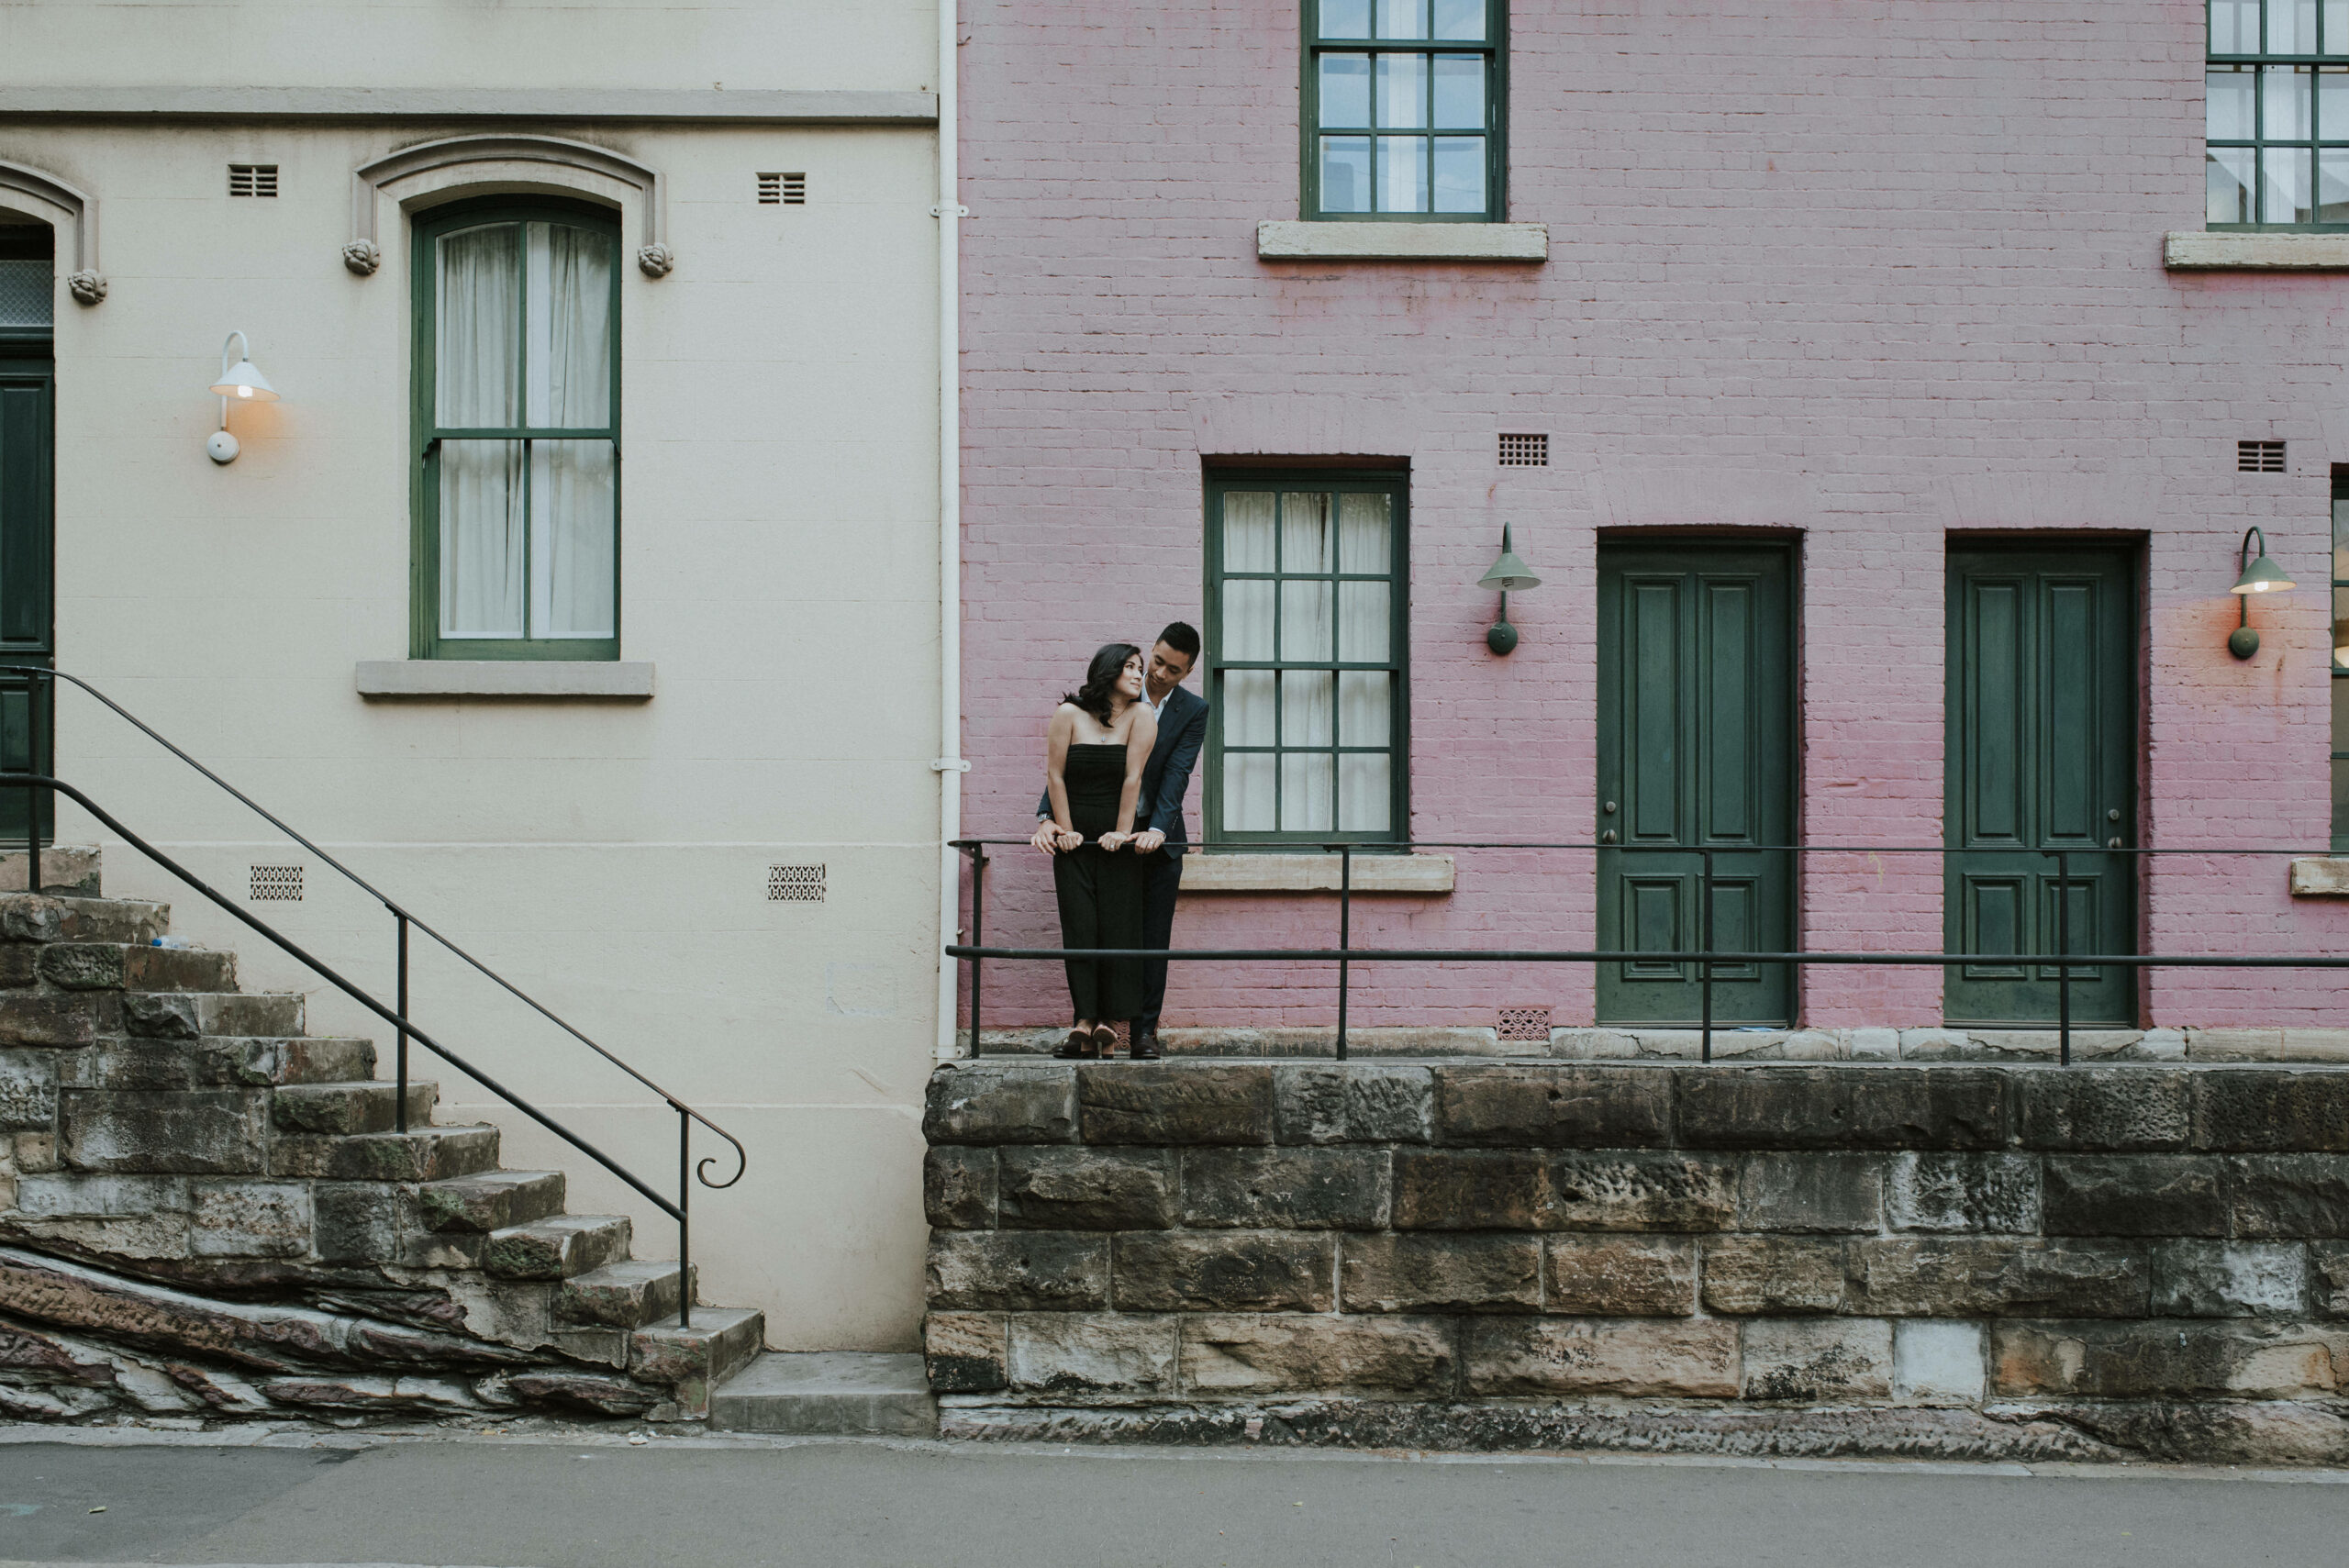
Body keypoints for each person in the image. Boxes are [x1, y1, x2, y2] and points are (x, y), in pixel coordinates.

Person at [1032, 623, 1206, 1060]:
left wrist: (1156, 830)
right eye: (1157, 661)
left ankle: (1142, 1033)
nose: (1159, 674)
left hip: (1153, 837)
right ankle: (1091, 1025)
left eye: (1173, 669)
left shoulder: (1192, 710)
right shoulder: (1102, 701)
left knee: (1149, 939)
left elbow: (1175, 775)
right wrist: (1047, 818)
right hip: (1101, 834)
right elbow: (1069, 766)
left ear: (1187, 672)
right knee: (1094, 928)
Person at [1039, 643, 1158, 1059]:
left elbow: (1133, 778)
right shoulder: (1068, 714)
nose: (1138, 674)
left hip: (1115, 839)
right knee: (1080, 926)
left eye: (1140, 668)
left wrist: (1122, 832)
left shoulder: (1142, 715)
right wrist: (1065, 831)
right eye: (1130, 667)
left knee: (1117, 927)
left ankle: (1108, 1022)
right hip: (1076, 838)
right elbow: (1055, 775)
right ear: (1108, 670)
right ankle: (1084, 1020)